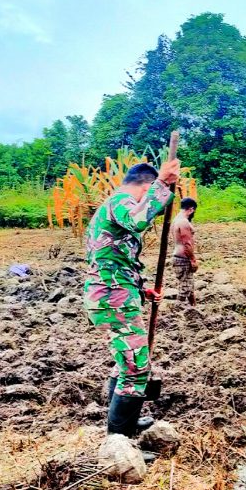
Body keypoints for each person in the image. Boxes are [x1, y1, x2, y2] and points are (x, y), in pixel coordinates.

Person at [83, 159, 180, 437]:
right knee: (137, 367)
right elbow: (138, 219)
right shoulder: (120, 201)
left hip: (116, 295)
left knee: (128, 361)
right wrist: (163, 184)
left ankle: (128, 420)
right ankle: (119, 439)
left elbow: (114, 260)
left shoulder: (114, 206)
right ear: (146, 186)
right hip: (112, 298)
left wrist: (140, 290)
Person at [172, 197, 199, 306]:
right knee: (185, 287)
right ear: (191, 209)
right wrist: (193, 260)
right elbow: (187, 243)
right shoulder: (184, 222)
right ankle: (176, 311)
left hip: (178, 256)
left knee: (188, 283)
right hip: (183, 258)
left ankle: (194, 306)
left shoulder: (176, 219)